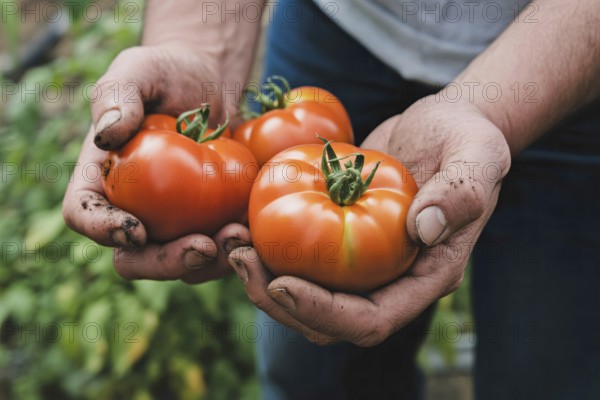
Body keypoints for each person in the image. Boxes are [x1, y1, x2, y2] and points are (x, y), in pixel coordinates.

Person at [63, 0, 600, 399]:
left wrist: (493, 109)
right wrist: (198, 46)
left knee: (549, 372)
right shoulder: (295, 145)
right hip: (340, 29)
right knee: (311, 374)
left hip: (570, 51)